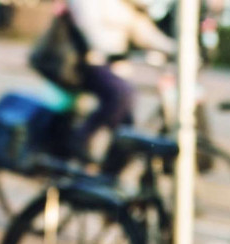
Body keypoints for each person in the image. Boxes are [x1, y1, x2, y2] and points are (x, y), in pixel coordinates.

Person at [66, 0, 176, 160]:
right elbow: (89, 27)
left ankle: (111, 171)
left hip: (115, 65)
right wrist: (110, 53)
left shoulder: (126, 4)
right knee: (122, 94)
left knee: (127, 123)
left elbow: (144, 33)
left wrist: (178, 48)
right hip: (86, 63)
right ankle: (80, 139)